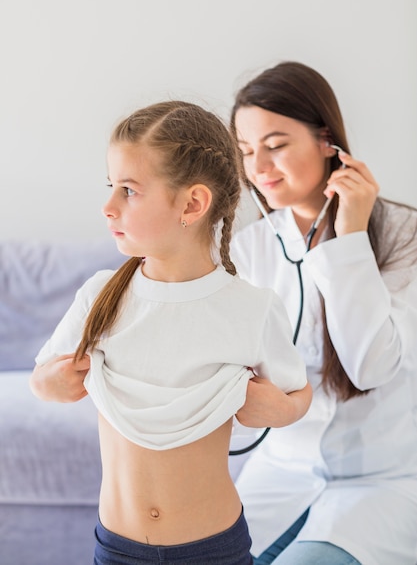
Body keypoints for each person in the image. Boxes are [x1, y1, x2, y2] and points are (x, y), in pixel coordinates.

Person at [29, 100, 312, 565]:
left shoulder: (249, 308)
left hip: (213, 550)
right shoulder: (102, 296)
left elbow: (300, 394)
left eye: (129, 190)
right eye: (111, 187)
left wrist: (280, 409)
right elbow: (43, 378)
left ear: (193, 204)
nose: (108, 206)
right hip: (118, 548)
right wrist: (50, 383)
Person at [228, 60, 417, 565]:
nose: (259, 168)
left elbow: (370, 367)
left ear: (327, 140)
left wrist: (350, 238)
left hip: (381, 482)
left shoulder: (405, 234)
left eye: (276, 144)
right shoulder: (250, 250)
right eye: (247, 151)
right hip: (281, 471)